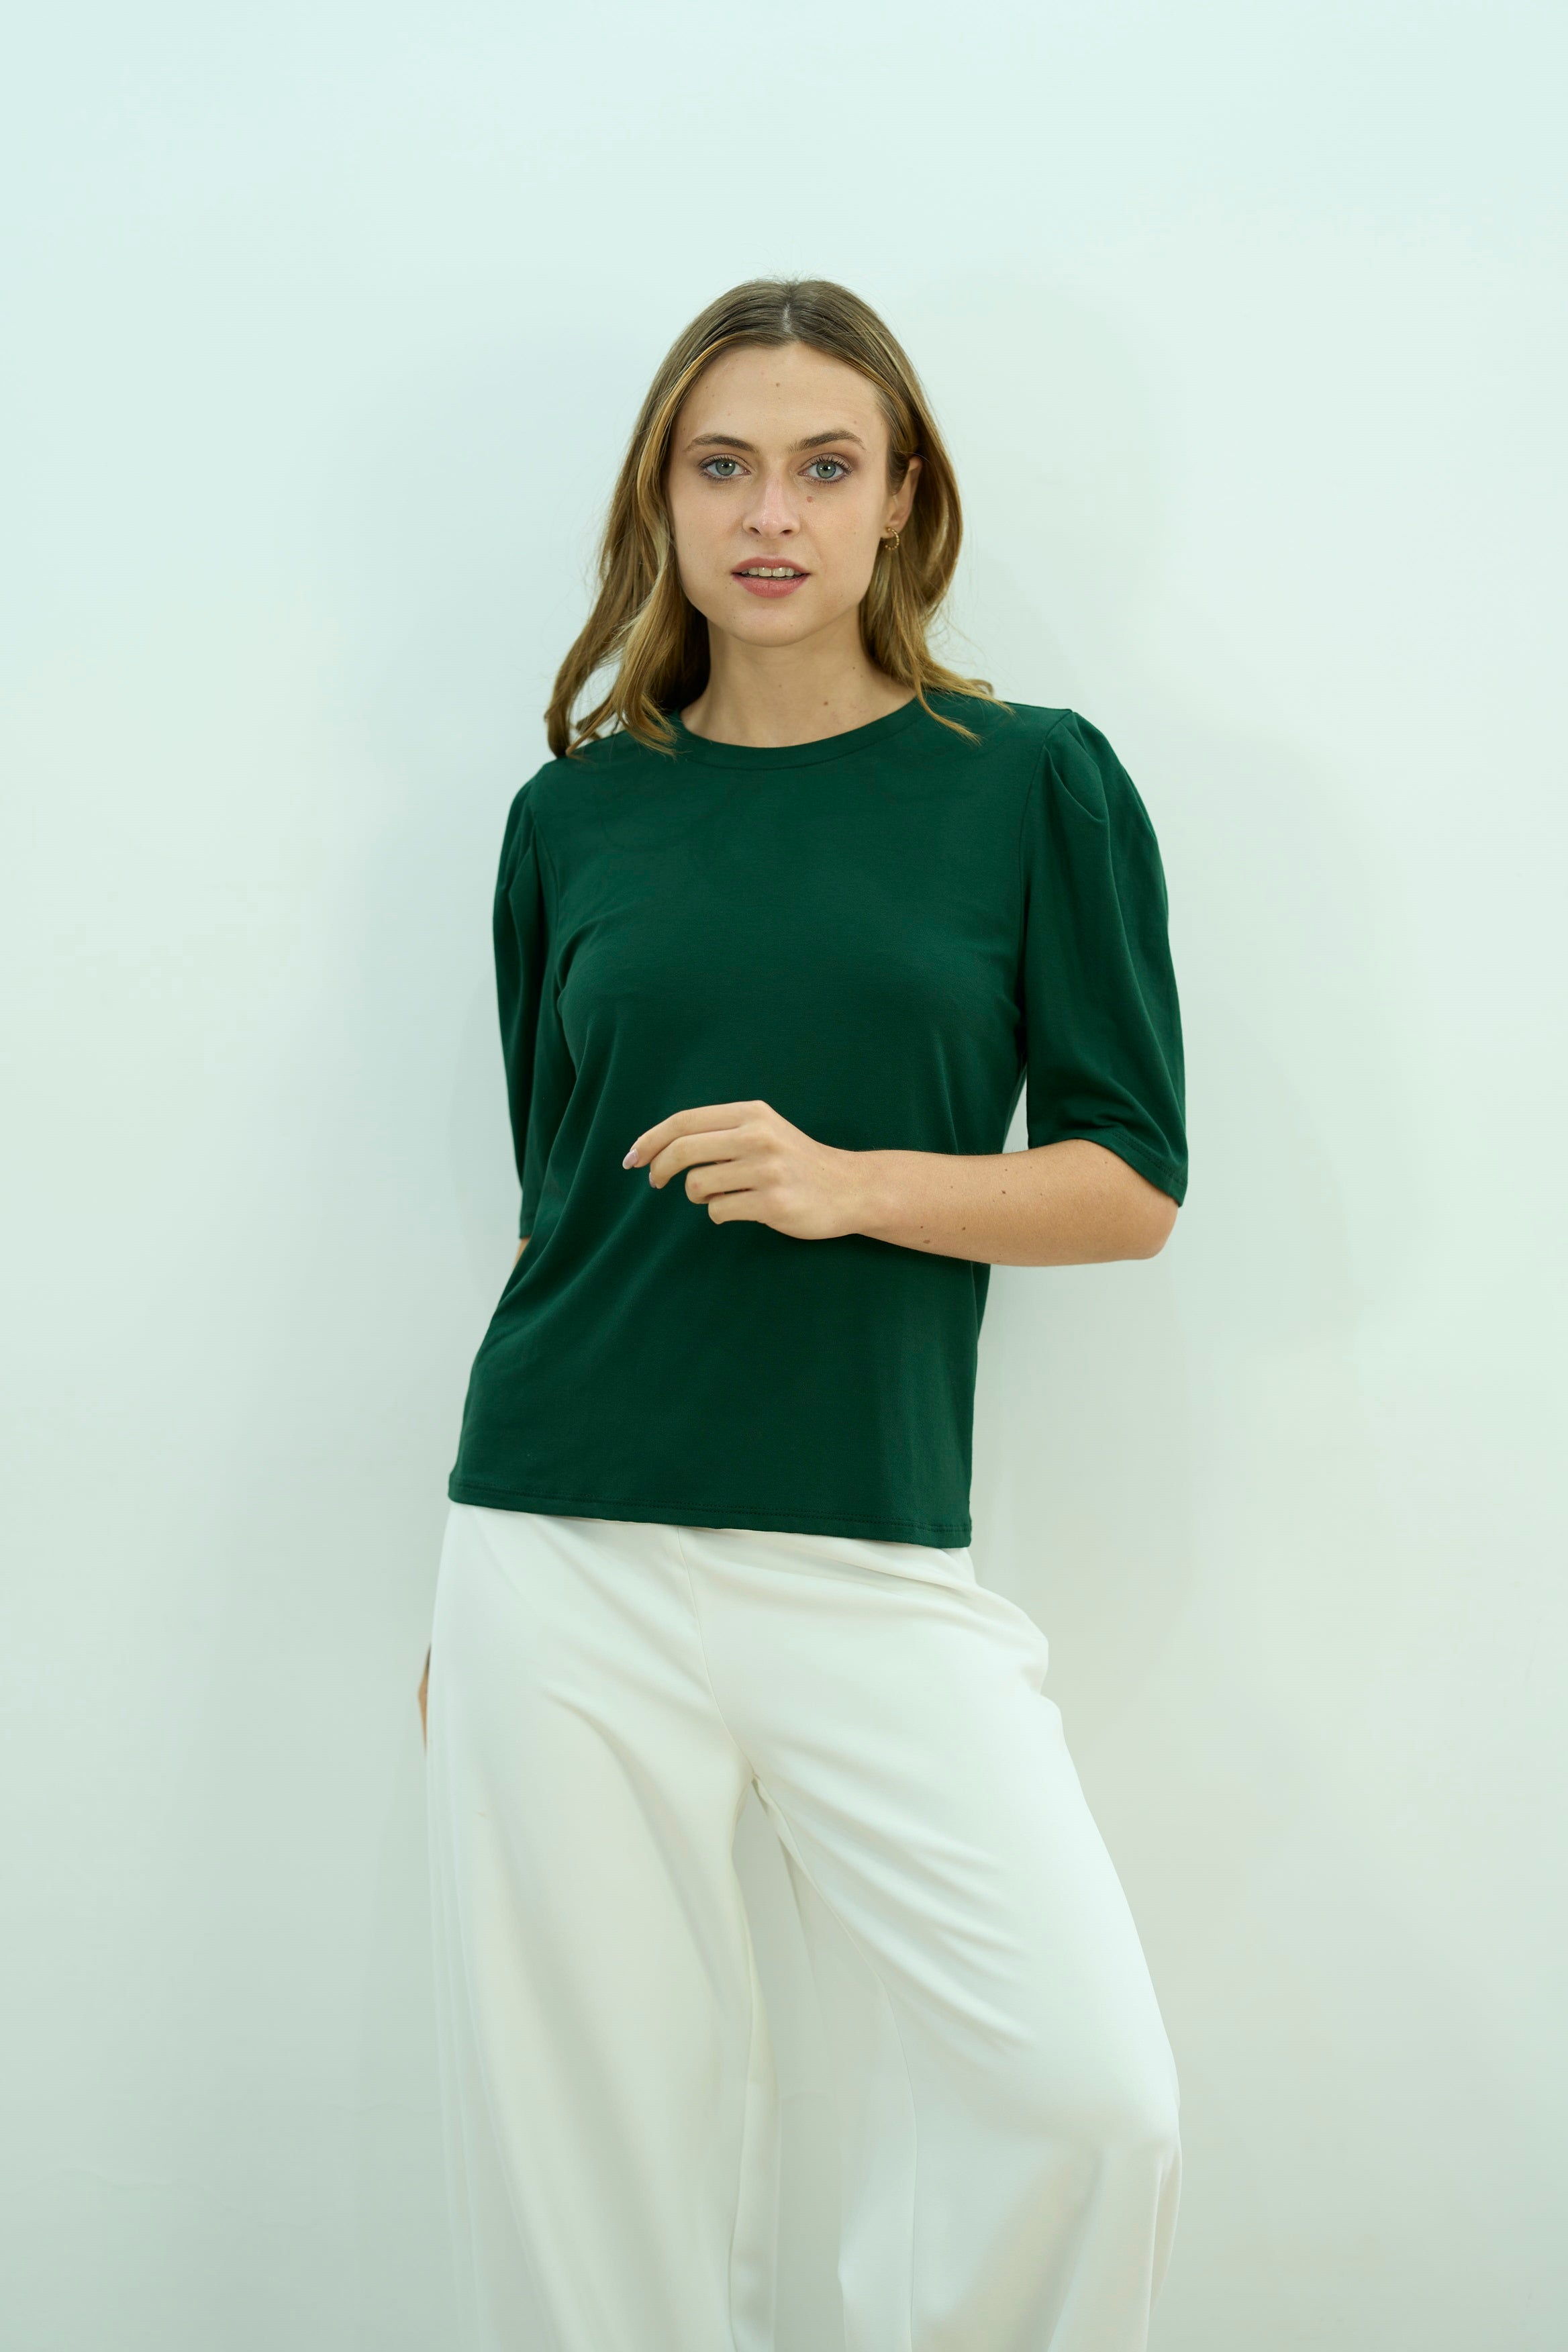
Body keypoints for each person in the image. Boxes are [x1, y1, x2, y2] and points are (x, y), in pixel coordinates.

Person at [419, 277, 1188, 2352]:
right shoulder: (572, 817)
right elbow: (558, 1209)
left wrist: (854, 1185)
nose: (773, 515)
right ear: (662, 499)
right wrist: (460, 1602)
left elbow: (1129, 1181)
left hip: (865, 1557)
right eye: (725, 466)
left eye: (825, 466)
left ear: (901, 497)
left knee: (1088, 2102)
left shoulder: (1030, 783)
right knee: (592, 2174)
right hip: (557, 1550)